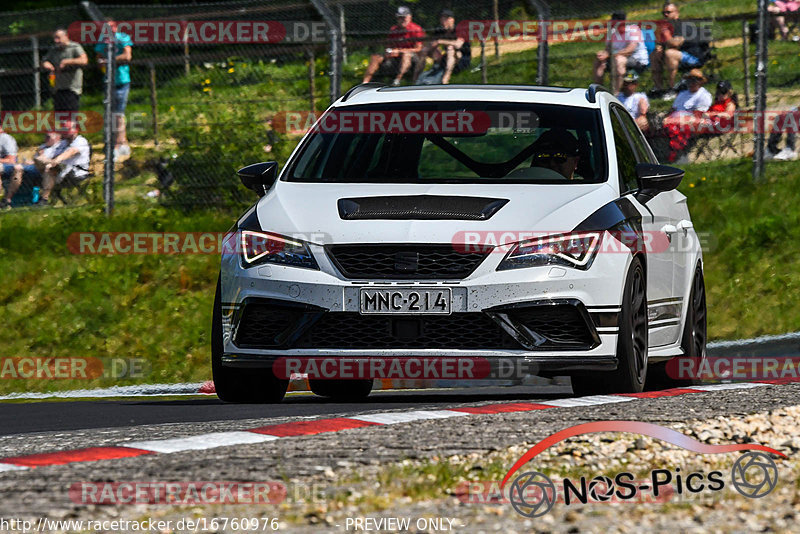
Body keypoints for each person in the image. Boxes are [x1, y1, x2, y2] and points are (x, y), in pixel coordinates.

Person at [650, 3, 710, 98]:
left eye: (668, 12)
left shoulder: (682, 26)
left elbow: (674, 43)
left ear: (676, 13)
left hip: (694, 57)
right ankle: (658, 89)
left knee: (670, 53)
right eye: (664, 13)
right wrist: (659, 46)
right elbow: (664, 43)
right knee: (655, 54)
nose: (665, 15)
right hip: (679, 55)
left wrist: (665, 35)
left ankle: (672, 88)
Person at [94, 20, 133, 157]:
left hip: (122, 80)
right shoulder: (102, 41)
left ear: (116, 27)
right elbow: (99, 59)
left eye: (111, 27)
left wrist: (109, 60)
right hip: (108, 81)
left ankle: (119, 143)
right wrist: (102, 62)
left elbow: (127, 56)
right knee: (112, 114)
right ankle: (120, 142)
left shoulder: (123, 38)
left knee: (118, 113)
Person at [362, 6, 425, 86]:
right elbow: (389, 45)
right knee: (376, 57)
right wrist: (389, 51)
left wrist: (399, 51)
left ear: (409, 17)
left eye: (404, 17)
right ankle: (365, 82)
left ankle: (397, 80)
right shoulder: (394, 29)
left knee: (406, 55)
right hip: (395, 55)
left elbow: (419, 48)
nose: (402, 20)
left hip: (411, 56)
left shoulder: (416, 29)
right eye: (399, 18)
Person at [1, 132, 63, 208]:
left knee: (18, 167)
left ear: (58, 138)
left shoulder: (59, 147)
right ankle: (7, 199)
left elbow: (54, 162)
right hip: (34, 167)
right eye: (45, 136)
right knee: (17, 167)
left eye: (48, 137)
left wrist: (40, 159)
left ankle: (8, 199)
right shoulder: (43, 146)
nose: (45, 139)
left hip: (46, 169)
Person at [663, 69, 713, 163]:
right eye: (689, 80)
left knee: (677, 127)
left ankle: (677, 156)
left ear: (700, 82)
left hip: (695, 122)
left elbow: (698, 115)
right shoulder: (682, 94)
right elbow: (672, 110)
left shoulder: (704, 95)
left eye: (694, 80)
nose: (691, 83)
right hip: (676, 121)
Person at [593, 12, 649, 93]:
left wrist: (610, 54)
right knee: (598, 61)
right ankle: (598, 91)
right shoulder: (612, 32)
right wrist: (604, 54)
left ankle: (615, 93)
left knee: (619, 60)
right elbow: (608, 48)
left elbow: (630, 50)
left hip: (636, 60)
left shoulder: (634, 30)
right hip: (616, 57)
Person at [39, 121, 91, 206]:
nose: (64, 131)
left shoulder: (81, 141)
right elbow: (50, 153)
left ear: (76, 130)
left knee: (50, 170)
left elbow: (70, 152)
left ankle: (44, 199)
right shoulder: (62, 143)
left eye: (67, 129)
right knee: (37, 167)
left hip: (76, 171)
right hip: (61, 169)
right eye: (62, 129)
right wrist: (41, 154)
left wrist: (56, 160)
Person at [414, 9, 471, 85]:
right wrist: (430, 48)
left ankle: (446, 79)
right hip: (445, 59)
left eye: (446, 19)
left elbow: (458, 44)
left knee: (450, 48)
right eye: (442, 19)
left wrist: (440, 41)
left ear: (452, 20)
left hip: (462, 59)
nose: (443, 21)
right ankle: (415, 78)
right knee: (425, 50)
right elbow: (431, 42)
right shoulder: (440, 31)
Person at [41, 28, 88, 112]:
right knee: (61, 117)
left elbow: (84, 60)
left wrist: (67, 61)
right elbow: (44, 61)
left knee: (70, 117)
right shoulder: (54, 50)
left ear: (66, 36)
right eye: (55, 38)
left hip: (72, 88)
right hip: (57, 88)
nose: (56, 41)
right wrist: (46, 64)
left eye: (58, 38)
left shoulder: (74, 47)